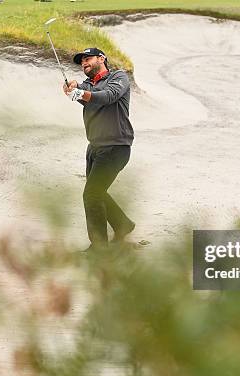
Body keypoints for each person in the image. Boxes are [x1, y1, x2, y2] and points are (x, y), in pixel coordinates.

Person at [63, 48, 135, 251]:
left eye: (88, 58)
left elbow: (108, 96)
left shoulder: (118, 77)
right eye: (81, 61)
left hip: (116, 146)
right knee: (98, 192)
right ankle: (122, 225)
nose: (84, 63)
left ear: (101, 58)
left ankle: (99, 247)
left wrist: (80, 91)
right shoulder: (89, 85)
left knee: (91, 194)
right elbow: (86, 92)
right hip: (94, 148)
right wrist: (73, 88)